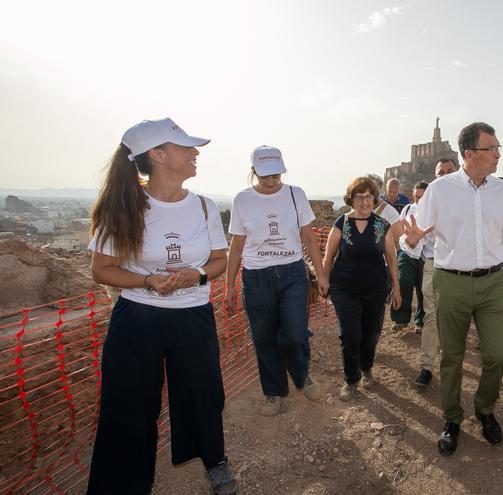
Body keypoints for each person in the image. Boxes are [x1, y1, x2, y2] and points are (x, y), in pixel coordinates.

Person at [86, 118, 237, 495]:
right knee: (129, 406)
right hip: (137, 319)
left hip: (193, 316)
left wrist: (198, 274)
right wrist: (146, 280)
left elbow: (219, 260)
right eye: (186, 147)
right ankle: (125, 484)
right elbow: (101, 270)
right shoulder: (122, 207)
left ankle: (213, 459)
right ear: (157, 155)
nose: (195, 153)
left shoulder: (203, 206)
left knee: (204, 394)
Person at [402, 122, 503, 456]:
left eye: (498, 148)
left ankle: (484, 409)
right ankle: (452, 418)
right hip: (450, 281)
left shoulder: (502, 190)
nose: (498, 154)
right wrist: (409, 241)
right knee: (452, 357)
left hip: (493, 282)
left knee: (497, 355)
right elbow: (413, 234)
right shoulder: (440, 190)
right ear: (470, 154)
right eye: (492, 148)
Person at [224, 146, 330, 417]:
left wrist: (321, 274)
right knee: (264, 337)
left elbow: (308, 236)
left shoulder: (296, 194)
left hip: (292, 273)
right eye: (264, 176)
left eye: (275, 176)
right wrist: (229, 286)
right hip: (256, 276)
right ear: (254, 172)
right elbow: (236, 245)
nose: (270, 182)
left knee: (294, 333)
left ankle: (302, 374)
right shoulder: (242, 200)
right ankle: (273, 392)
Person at [321, 176, 402, 401]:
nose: (364, 202)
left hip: (375, 289)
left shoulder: (381, 225)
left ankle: (366, 368)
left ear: (375, 199)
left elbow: (392, 260)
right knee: (350, 335)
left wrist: (396, 289)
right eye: (359, 197)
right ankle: (351, 379)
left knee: (370, 334)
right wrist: (324, 281)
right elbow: (329, 257)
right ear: (351, 199)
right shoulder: (341, 223)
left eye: (369, 197)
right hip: (344, 288)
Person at [404, 159, 457, 388]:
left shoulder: (470, 201)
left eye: (449, 171)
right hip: (433, 267)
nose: (444, 175)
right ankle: (426, 366)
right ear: (435, 176)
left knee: (455, 319)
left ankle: (451, 361)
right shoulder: (422, 206)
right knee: (431, 317)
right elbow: (408, 242)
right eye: (440, 172)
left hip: (461, 271)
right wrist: (411, 240)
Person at [389, 181, 429, 332]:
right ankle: (401, 319)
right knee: (403, 283)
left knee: (423, 289)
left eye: (422, 197)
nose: (418, 200)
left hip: (425, 256)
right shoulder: (407, 209)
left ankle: (421, 322)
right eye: (416, 196)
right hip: (406, 253)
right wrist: (405, 242)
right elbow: (401, 232)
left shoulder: (435, 212)